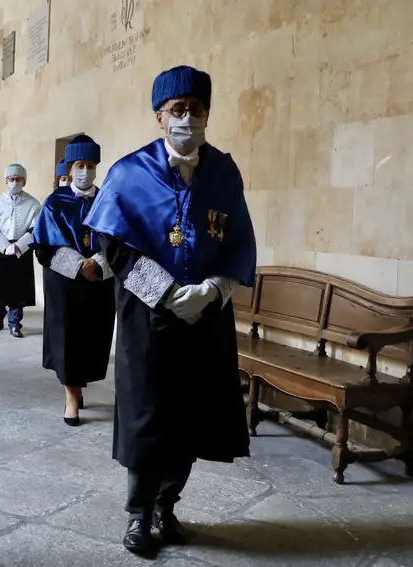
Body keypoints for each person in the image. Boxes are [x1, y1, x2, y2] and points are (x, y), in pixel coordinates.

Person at [83, 65, 256, 556]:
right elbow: (112, 245)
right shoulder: (128, 172)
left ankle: (168, 506)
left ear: (207, 114)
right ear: (159, 117)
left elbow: (239, 241)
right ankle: (139, 514)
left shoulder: (224, 171)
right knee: (148, 416)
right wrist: (163, 291)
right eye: (176, 110)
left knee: (192, 416)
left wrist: (213, 290)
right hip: (149, 316)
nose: (186, 119)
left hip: (205, 316)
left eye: (195, 110)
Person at [30, 135, 115, 427]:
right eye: (80, 164)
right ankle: (70, 395)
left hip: (98, 284)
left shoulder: (107, 200)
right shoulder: (55, 203)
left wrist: (99, 263)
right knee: (67, 339)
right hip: (66, 283)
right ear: (70, 167)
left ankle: (80, 387)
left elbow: (119, 242)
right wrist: (79, 265)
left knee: (91, 339)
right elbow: (44, 246)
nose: (85, 170)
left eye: (90, 165)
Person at [0, 164, 41, 338]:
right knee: (0, 287)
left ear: (24, 181)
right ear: (6, 181)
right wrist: (4, 246)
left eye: (18, 179)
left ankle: (15, 323)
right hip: (1, 250)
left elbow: (35, 228)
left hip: (21, 251)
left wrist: (19, 245)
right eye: (11, 179)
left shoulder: (32, 203)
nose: (14, 182)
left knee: (18, 290)